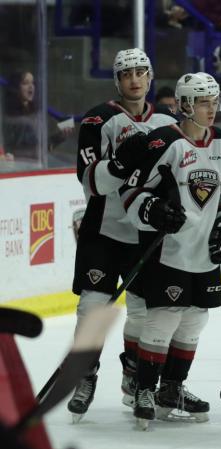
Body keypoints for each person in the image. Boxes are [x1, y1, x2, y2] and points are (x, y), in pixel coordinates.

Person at [119, 72, 221, 429]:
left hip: (203, 251)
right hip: (166, 248)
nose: (211, 109)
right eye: (203, 102)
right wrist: (152, 210)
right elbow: (131, 192)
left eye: (214, 101)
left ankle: (171, 389)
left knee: (194, 319)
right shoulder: (163, 142)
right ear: (185, 105)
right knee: (165, 316)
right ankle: (143, 389)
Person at [67, 48, 177, 422]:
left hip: (145, 232)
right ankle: (86, 376)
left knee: (144, 311)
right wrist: (117, 163)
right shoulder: (99, 118)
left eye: (140, 72)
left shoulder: (166, 121)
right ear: (117, 80)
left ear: (150, 77)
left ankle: (134, 376)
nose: (134, 80)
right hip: (104, 229)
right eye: (126, 73)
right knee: (91, 307)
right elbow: (91, 182)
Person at [2, 70, 73, 162]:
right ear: (16, 88)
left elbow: (42, 148)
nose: (31, 86)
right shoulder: (10, 117)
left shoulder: (37, 113)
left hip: (36, 163)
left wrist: (60, 136)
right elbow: (10, 150)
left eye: (32, 83)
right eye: (25, 83)